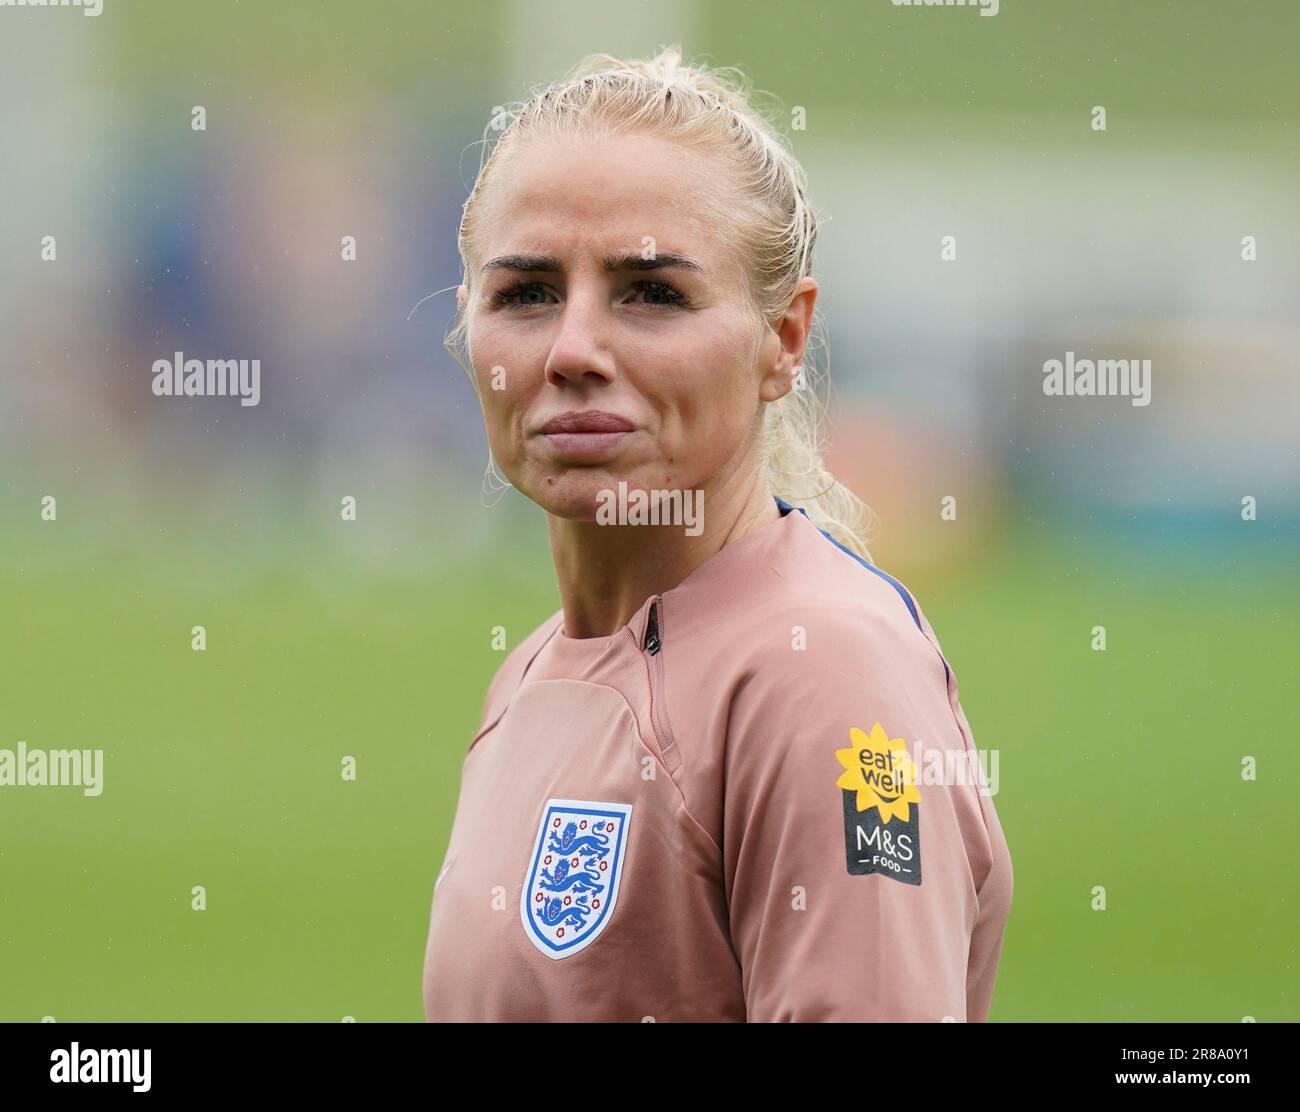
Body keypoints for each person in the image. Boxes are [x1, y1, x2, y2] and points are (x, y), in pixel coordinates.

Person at [422, 44, 1012, 1022]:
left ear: (782, 338)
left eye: (651, 292)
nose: (571, 348)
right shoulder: (529, 672)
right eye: (525, 292)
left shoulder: (823, 670)